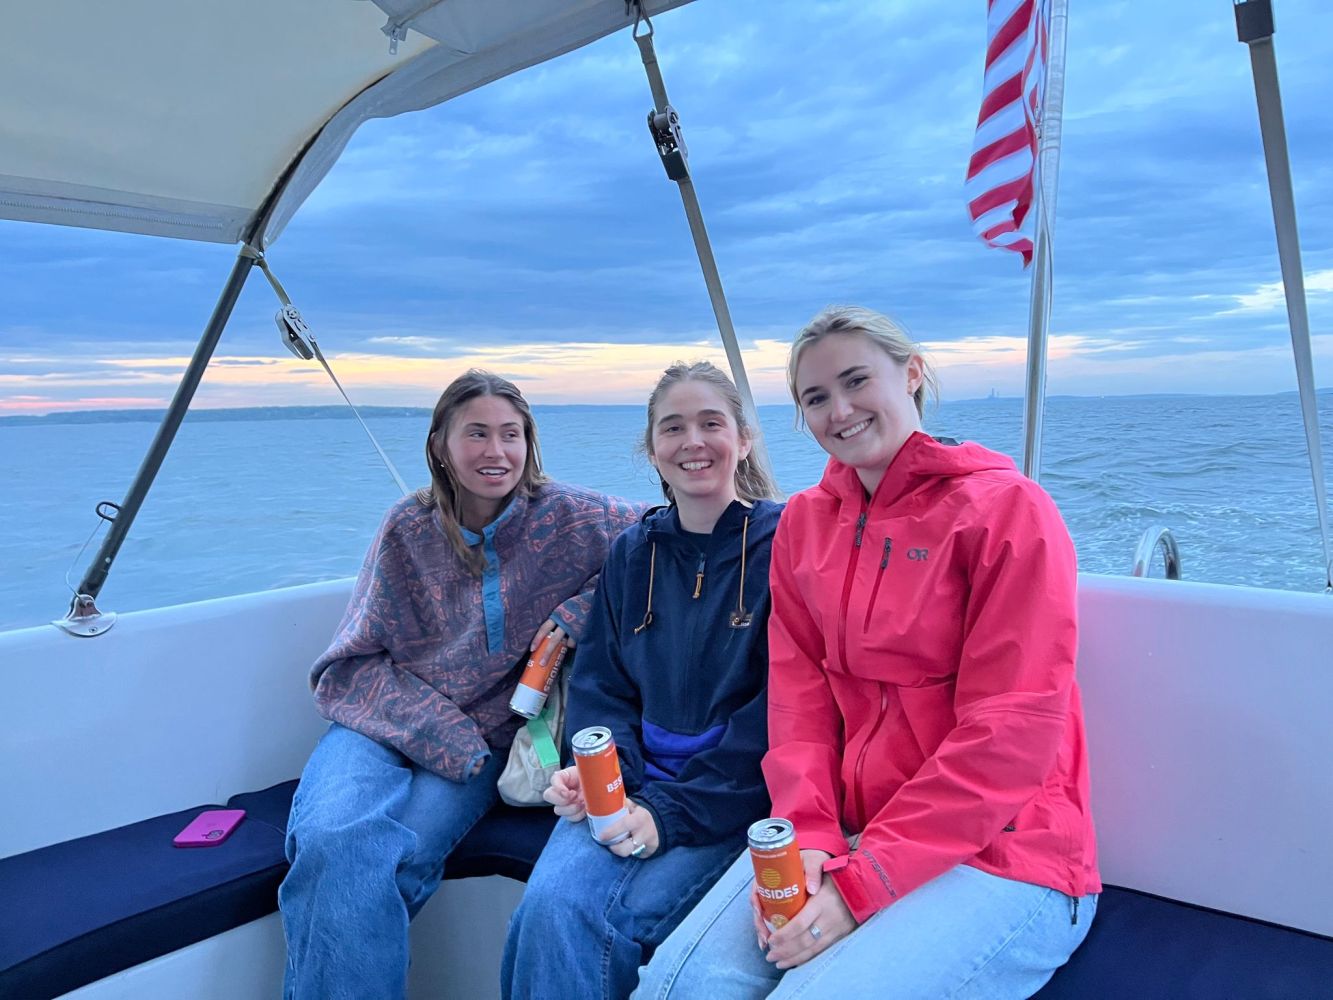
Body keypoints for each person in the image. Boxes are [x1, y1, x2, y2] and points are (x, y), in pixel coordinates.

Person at [636, 307, 1101, 999]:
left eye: (856, 381)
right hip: (846, 831)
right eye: (815, 398)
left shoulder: (1005, 510)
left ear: (910, 374)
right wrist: (812, 839)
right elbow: (799, 707)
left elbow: (1009, 732)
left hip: (1003, 852)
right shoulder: (804, 523)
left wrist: (861, 886)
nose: (839, 409)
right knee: (679, 986)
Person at [279, 369, 640, 1000]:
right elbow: (348, 664)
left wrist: (578, 612)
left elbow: (661, 534)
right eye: (476, 433)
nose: (495, 452)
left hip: (484, 740)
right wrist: (443, 731)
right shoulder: (407, 528)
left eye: (510, 434)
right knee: (332, 839)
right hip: (382, 722)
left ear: (529, 443)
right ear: (441, 445)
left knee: (392, 861)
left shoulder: (573, 518)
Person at [501, 361, 784, 1000]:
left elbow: (783, 711)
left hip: (730, 798)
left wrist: (667, 813)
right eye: (673, 427)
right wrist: (601, 776)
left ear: (743, 439)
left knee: (596, 918)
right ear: (652, 448)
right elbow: (603, 687)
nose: (693, 442)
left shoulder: (786, 544)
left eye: (711, 423)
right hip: (633, 783)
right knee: (546, 903)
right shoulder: (634, 551)